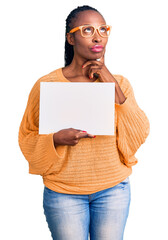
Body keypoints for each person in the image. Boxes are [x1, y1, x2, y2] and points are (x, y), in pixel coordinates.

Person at [18, 5, 150, 240]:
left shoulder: (120, 83)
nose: (98, 36)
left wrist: (110, 82)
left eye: (102, 29)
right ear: (71, 38)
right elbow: (26, 137)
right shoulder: (46, 85)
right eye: (87, 30)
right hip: (64, 193)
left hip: (113, 189)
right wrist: (56, 138)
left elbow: (139, 130)